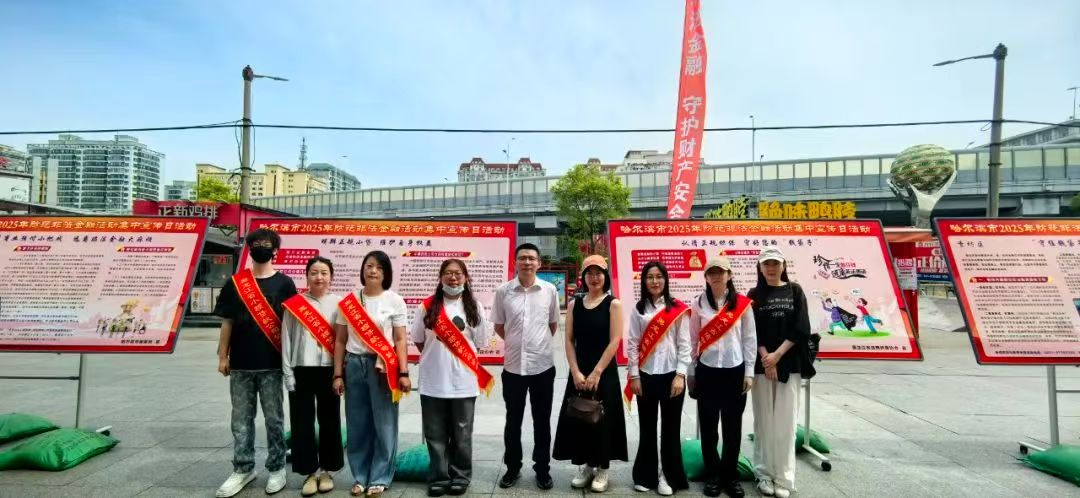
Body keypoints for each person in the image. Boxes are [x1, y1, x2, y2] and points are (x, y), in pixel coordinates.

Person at [214, 228, 298, 497]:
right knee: (240, 420)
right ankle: (243, 468)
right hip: (240, 364)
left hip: (272, 363)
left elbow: (292, 325)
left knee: (274, 419)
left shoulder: (285, 284)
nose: (261, 246)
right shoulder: (236, 283)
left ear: (275, 250)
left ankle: (277, 468)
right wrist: (223, 356)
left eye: (266, 243)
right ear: (249, 248)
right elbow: (227, 321)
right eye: (256, 243)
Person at [411, 259, 493, 497]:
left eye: (457, 273)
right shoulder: (427, 306)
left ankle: (460, 476)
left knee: (462, 434)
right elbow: (418, 340)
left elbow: (480, 342)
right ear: (441, 277)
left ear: (466, 277)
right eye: (447, 273)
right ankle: (439, 476)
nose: (453, 277)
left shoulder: (474, 306)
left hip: (463, 381)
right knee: (435, 434)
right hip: (433, 380)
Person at [332, 250, 412, 497]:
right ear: (363, 270)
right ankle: (360, 475)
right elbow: (339, 340)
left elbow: (400, 339)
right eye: (369, 265)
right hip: (354, 365)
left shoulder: (395, 300)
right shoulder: (349, 302)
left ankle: (380, 476)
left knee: (384, 422)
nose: (373, 270)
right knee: (357, 423)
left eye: (379, 267)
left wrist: (404, 371)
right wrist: (337, 374)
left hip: (382, 367)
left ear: (386, 272)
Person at [553, 255, 628, 493]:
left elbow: (615, 340)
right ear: (583, 277)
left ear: (605, 276)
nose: (594, 278)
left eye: (599, 273)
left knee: (603, 420)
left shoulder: (613, 304)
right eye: (589, 273)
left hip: (604, 371)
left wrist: (597, 372)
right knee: (580, 416)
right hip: (580, 370)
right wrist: (575, 371)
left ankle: (603, 468)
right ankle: (586, 465)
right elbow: (568, 339)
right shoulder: (575, 304)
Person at [490, 242, 561, 490]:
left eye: (532, 258)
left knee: (542, 421)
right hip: (513, 369)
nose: (527, 262)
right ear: (515, 262)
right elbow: (499, 325)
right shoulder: (503, 291)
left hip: (542, 367)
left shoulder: (549, 291)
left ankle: (542, 469)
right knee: (513, 421)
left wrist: (535, 344)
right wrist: (516, 342)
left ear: (539, 263)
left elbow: (553, 324)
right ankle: (512, 468)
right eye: (523, 258)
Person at [687, 257, 757, 498]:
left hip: (734, 371)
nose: (716, 276)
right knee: (708, 428)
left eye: (720, 272)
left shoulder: (742, 304)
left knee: (732, 428)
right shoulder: (698, 304)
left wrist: (749, 372)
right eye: (711, 273)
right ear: (706, 277)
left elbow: (749, 339)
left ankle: (730, 477)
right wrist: (691, 371)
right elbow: (693, 340)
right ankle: (713, 476)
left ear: (729, 275)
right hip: (707, 371)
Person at [748, 248, 810, 498]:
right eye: (766, 264)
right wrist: (767, 358)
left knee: (785, 423)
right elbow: (752, 331)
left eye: (775, 263)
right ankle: (763, 473)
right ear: (760, 268)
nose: (771, 268)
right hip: (762, 366)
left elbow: (801, 328)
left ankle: (784, 477)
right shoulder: (754, 295)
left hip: (788, 364)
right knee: (763, 422)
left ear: (783, 265)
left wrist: (777, 355)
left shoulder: (795, 290)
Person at [627, 261, 691, 496]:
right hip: (645, 376)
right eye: (650, 277)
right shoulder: (639, 309)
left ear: (666, 280)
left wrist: (680, 375)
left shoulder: (677, 309)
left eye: (659, 276)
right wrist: (634, 375)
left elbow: (685, 345)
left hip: (672, 376)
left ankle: (668, 476)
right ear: (644, 281)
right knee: (647, 428)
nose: (655, 281)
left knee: (671, 429)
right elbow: (632, 343)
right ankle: (646, 474)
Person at [281, 256, 344, 496]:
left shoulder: (339, 304)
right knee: (302, 423)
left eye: (324, 273)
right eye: (314, 272)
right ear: (306, 276)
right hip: (301, 369)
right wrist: (288, 374)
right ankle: (308, 473)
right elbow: (286, 339)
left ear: (331, 277)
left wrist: (340, 373)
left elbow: (343, 340)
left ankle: (327, 471)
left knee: (330, 420)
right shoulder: (294, 305)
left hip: (329, 370)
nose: (319, 277)